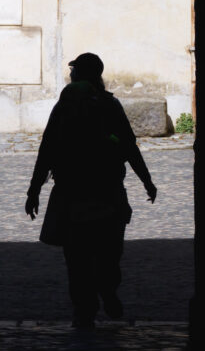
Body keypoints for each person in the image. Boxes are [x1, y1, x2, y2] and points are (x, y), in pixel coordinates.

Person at [24, 52, 157, 330]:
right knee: (109, 253)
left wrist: (34, 190)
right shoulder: (110, 105)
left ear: (77, 75)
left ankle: (84, 312)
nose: (70, 74)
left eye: (73, 70)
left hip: (71, 193)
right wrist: (146, 180)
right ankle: (107, 289)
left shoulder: (64, 106)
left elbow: (47, 149)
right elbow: (129, 146)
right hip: (108, 191)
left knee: (77, 259)